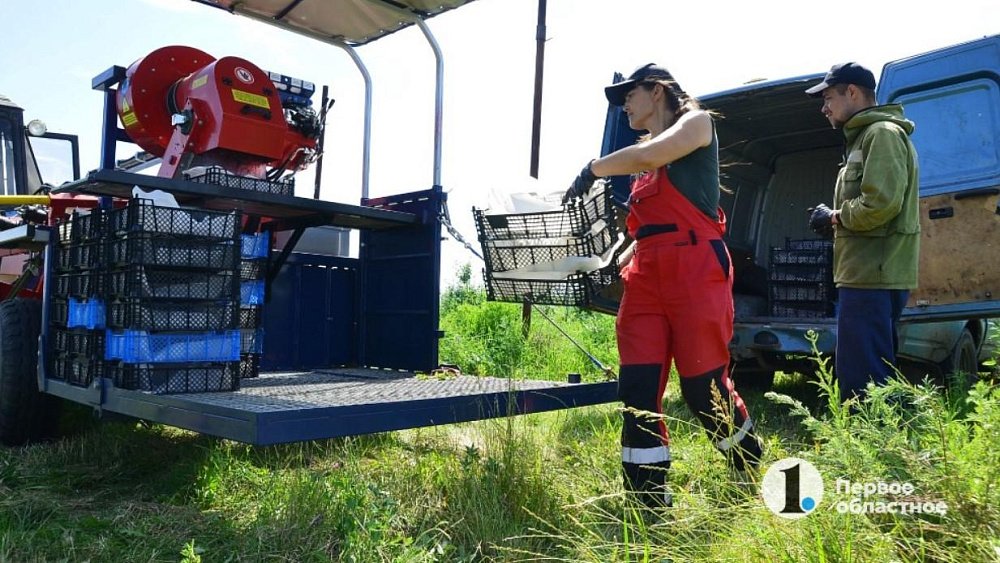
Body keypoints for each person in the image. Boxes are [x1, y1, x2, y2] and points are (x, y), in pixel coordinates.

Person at [565, 63, 763, 508]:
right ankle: (648, 496)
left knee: (701, 387)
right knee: (637, 386)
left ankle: (746, 460)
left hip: (695, 270)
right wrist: (620, 257)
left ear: (656, 91)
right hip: (647, 277)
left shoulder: (696, 125)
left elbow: (652, 156)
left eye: (629, 95)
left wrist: (594, 168)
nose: (624, 106)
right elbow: (649, 226)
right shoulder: (642, 160)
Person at [804, 62, 920, 401]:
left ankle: (869, 432)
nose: (824, 108)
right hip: (866, 273)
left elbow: (880, 205)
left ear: (852, 92)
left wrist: (834, 217)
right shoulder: (865, 137)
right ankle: (883, 431)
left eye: (828, 98)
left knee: (863, 378)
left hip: (873, 275)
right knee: (872, 370)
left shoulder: (881, 134)